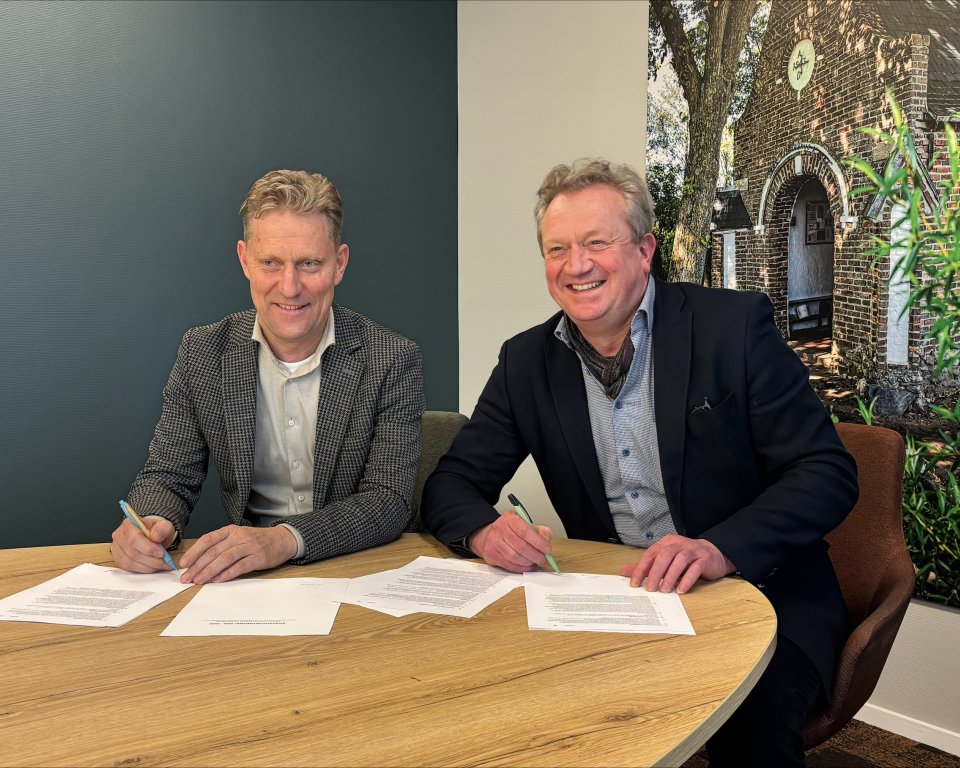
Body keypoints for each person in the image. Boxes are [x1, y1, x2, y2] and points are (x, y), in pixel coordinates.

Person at [422, 158, 858, 767]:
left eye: (597, 242)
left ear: (645, 249)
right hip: (620, 600)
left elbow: (826, 472)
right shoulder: (526, 363)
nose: (577, 265)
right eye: (558, 248)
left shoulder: (733, 328)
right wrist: (482, 531)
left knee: (747, 721)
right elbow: (451, 483)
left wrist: (719, 547)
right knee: (520, 711)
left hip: (763, 593)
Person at [111, 169, 424, 585]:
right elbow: (169, 475)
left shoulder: (391, 359)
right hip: (245, 582)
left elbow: (388, 501)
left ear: (340, 264)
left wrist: (283, 540)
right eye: (270, 263)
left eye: (309, 263)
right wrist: (151, 520)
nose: (289, 286)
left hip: (353, 572)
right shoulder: (202, 353)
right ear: (244, 260)